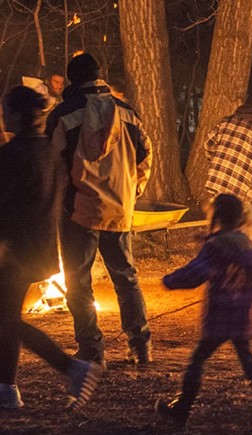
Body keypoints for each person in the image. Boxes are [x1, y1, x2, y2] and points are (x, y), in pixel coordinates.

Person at [46, 52, 153, 368]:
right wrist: (132, 192)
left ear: (72, 80)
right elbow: (145, 157)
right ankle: (140, 345)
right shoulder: (127, 113)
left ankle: (91, 350)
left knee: (78, 279)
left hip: (77, 209)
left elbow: (51, 164)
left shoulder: (63, 114)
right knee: (126, 276)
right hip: (118, 207)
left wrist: (57, 200)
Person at [0, 86, 101, 411]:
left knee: (7, 321)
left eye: (6, 109)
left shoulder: (13, 155)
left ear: (17, 113)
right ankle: (7, 389)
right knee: (7, 318)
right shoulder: (47, 151)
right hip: (36, 249)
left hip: (11, 251)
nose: (2, 115)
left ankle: (71, 367)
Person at [156, 194, 252, 432]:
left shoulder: (216, 246)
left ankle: (181, 410)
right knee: (250, 366)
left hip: (219, 317)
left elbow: (195, 273)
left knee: (197, 361)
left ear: (218, 216)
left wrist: (170, 280)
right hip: (242, 317)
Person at [204, 99, 252, 228]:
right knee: (247, 225)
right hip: (244, 187)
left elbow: (208, 143)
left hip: (220, 181)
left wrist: (218, 162)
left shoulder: (226, 121)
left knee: (222, 223)